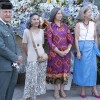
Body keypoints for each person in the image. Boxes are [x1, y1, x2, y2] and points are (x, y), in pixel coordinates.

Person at [46, 7, 73, 99]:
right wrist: (58, 52)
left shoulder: (66, 26)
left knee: (64, 72)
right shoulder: (50, 27)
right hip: (54, 54)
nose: (60, 15)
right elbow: (49, 42)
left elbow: (70, 40)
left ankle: (62, 90)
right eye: (58, 13)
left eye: (61, 13)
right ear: (54, 15)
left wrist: (67, 50)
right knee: (55, 72)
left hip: (65, 54)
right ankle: (56, 90)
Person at [73, 6, 100, 98]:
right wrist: (78, 51)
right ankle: (83, 90)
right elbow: (76, 38)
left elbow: (95, 37)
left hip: (91, 48)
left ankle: (94, 89)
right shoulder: (78, 25)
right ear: (83, 14)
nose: (90, 13)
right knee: (82, 69)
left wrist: (95, 48)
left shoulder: (93, 24)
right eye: (89, 12)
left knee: (93, 69)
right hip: (82, 48)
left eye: (91, 12)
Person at [0, 0, 23, 100]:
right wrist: (15, 58)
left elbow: (15, 44)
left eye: (10, 12)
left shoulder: (9, 26)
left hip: (13, 66)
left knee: (10, 92)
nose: (8, 14)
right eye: (5, 11)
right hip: (3, 67)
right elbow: (1, 47)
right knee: (2, 93)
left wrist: (19, 55)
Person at [22, 13, 47, 100]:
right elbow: (24, 45)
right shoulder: (26, 31)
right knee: (31, 78)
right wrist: (28, 54)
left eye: (37, 19)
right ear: (30, 21)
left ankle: (35, 95)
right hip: (32, 58)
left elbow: (41, 44)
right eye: (34, 19)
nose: (36, 21)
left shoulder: (41, 31)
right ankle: (28, 96)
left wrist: (43, 55)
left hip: (41, 58)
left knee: (39, 78)